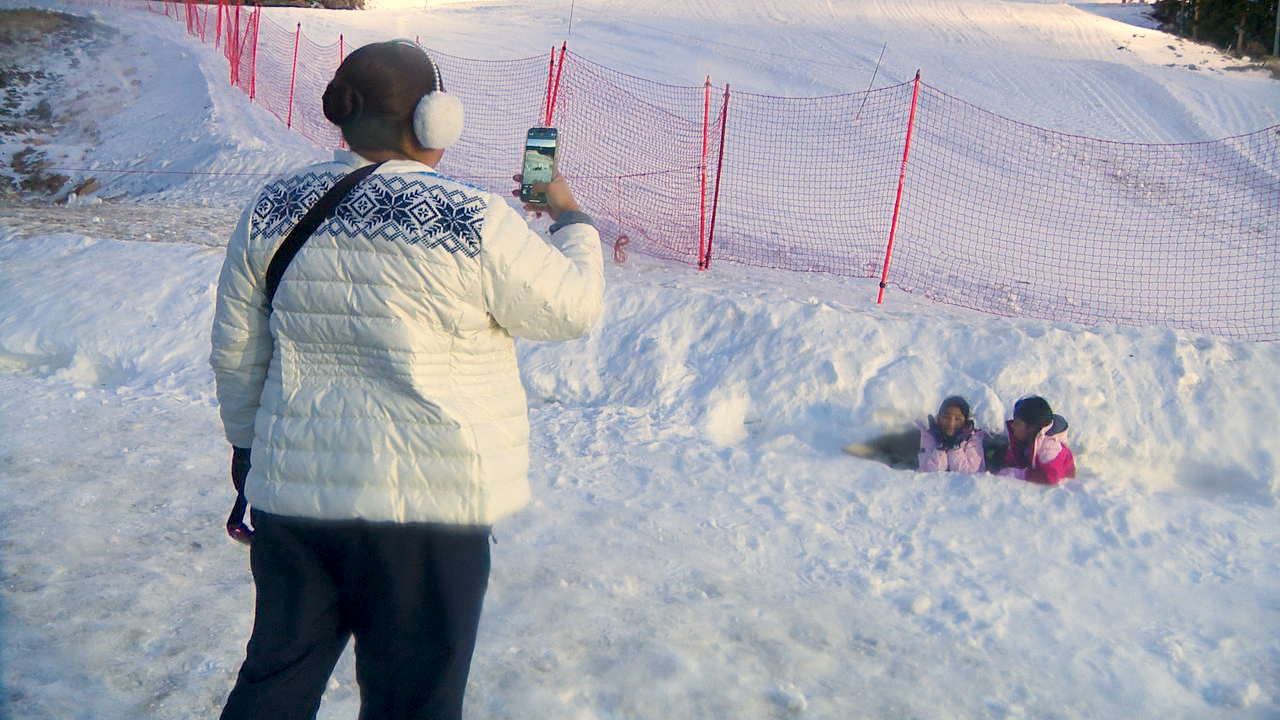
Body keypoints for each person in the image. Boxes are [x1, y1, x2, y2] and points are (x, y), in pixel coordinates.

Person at [209, 40, 604, 720]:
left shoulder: (271, 206)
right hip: (429, 512)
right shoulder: (472, 218)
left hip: (294, 500)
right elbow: (573, 308)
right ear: (434, 120)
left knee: (275, 684)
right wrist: (570, 216)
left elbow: (237, 351)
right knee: (414, 703)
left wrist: (251, 454)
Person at [996, 395, 1076, 485]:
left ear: (1032, 428)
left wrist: (1019, 474)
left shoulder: (1049, 447)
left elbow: (1050, 477)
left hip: (1058, 488)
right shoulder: (1028, 436)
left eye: (1017, 423)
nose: (1013, 425)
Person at [916, 395, 987, 473]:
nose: (951, 423)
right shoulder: (930, 436)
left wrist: (954, 448)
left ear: (965, 422)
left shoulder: (972, 438)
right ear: (939, 418)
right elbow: (929, 470)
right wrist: (941, 446)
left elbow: (971, 472)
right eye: (947, 417)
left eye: (957, 419)